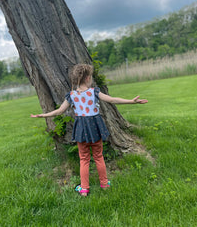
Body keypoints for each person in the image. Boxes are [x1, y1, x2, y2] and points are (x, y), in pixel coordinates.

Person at [31, 64, 148, 196]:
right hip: (95, 128)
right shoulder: (94, 92)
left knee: (84, 159)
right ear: (87, 78)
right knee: (98, 156)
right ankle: (104, 184)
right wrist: (132, 101)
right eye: (91, 77)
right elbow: (112, 100)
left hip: (81, 130)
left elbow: (59, 111)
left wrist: (43, 115)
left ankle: (84, 189)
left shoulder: (72, 95)